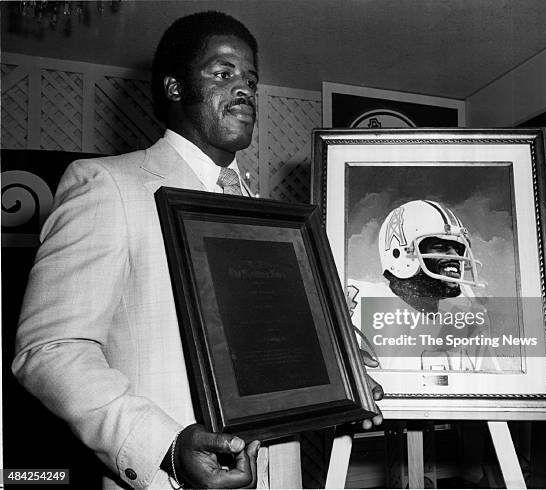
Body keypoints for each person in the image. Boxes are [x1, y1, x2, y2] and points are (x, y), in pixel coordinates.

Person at [12, 11, 382, 490]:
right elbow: (50, 349)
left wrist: (342, 383)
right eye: (223, 73)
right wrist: (165, 447)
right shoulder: (109, 186)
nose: (246, 89)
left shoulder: (279, 222)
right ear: (174, 88)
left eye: (251, 78)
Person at [348, 199, 498, 373]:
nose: (455, 256)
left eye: (458, 249)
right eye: (440, 247)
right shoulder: (356, 299)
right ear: (400, 252)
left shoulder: (463, 318)